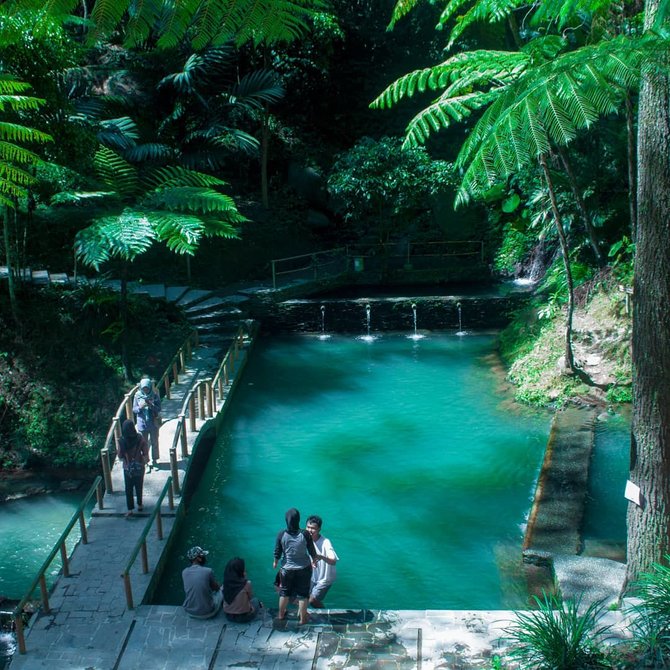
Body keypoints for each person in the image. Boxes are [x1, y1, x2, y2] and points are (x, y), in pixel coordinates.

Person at [273, 508, 317, 624]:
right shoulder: (305, 534)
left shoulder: (281, 534)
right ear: (298, 520)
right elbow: (311, 549)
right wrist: (314, 560)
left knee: (284, 592)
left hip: (287, 569)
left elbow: (278, 550)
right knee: (303, 594)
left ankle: (281, 615)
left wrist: (275, 561)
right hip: (304, 568)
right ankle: (303, 619)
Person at [117, 419, 149, 518]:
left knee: (129, 488)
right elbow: (145, 452)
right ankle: (140, 504)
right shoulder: (140, 438)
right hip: (139, 466)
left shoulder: (122, 441)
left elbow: (120, 455)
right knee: (139, 486)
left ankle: (130, 510)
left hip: (128, 468)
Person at [306, 515, 339, 608]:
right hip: (313, 575)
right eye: (308, 527)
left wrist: (321, 557)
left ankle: (324, 614)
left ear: (319, 529)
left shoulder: (325, 542)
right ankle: (305, 615)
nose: (310, 530)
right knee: (303, 596)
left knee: (312, 600)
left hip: (325, 578)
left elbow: (333, 561)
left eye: (313, 528)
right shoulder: (306, 539)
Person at [182, 546, 223, 619]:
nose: (205, 558)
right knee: (222, 590)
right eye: (203, 556)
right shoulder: (208, 571)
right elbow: (216, 588)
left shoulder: (184, 572)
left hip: (189, 611)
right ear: (198, 558)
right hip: (207, 612)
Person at [222, 557, 263, 623]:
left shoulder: (225, 583)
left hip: (228, 616)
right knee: (256, 601)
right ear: (240, 571)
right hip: (244, 617)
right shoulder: (247, 584)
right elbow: (250, 598)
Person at [133, 377, 162, 467]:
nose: (145, 390)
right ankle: (146, 462)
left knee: (154, 442)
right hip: (142, 424)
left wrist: (151, 405)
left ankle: (155, 461)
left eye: (147, 388)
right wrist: (140, 407)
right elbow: (134, 409)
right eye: (144, 388)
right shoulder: (137, 396)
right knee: (143, 444)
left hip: (153, 423)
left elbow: (159, 408)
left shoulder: (155, 395)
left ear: (150, 387)